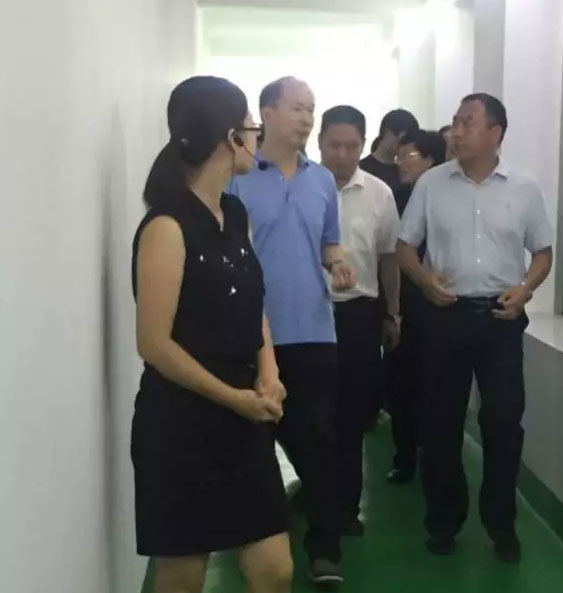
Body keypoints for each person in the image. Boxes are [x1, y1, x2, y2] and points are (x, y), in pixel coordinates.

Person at [131, 77, 293, 593]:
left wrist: (269, 373)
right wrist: (234, 398)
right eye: (251, 125)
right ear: (230, 137)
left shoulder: (235, 214)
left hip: (243, 416)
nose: (256, 136)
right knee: (183, 575)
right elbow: (154, 344)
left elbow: (252, 303)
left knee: (274, 568)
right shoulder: (167, 227)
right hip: (180, 424)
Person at [398, 93, 553, 564]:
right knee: (440, 424)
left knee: (503, 424)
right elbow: (404, 246)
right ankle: (444, 522)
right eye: (456, 121)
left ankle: (501, 524)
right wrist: (424, 280)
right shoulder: (431, 184)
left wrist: (526, 288)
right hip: (444, 318)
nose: (457, 131)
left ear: (495, 133)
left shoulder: (524, 188)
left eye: (468, 122)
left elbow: (542, 253)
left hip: (501, 321)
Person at [227, 76, 356, 589]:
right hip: (252, 337)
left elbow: (329, 244)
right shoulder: (237, 176)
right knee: (251, 449)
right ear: (267, 113)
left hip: (314, 333)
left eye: (311, 109)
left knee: (319, 446)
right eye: (298, 108)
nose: (306, 118)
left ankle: (324, 550)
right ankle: (255, 544)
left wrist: (338, 264)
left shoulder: (321, 180)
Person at [318, 105, 401, 536]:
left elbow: (389, 259)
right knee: (309, 414)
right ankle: (314, 494)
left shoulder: (379, 194)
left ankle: (345, 507)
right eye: (335, 145)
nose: (343, 155)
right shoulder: (302, 187)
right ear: (319, 143)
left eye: (352, 146)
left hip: (358, 315)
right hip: (309, 315)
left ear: (364, 145)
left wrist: (392, 312)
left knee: (351, 417)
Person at [386, 129, 447, 485]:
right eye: (399, 155)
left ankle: (433, 458)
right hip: (404, 304)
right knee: (400, 384)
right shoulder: (395, 198)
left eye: (409, 155)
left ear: (431, 160)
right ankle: (404, 457)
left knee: (436, 388)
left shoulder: (449, 198)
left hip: (441, 308)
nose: (400, 163)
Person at [360, 109, 419, 195]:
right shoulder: (361, 169)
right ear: (388, 133)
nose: (404, 145)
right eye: (403, 139)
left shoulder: (404, 172)